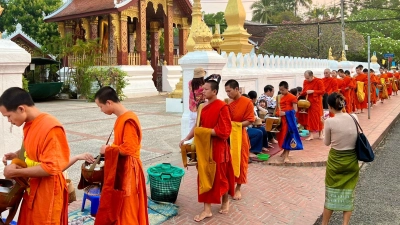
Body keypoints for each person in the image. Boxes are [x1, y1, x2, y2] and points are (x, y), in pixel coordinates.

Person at [0, 87, 70, 225]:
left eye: (8, 116)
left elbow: (51, 168)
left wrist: (16, 172)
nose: (9, 121)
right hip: (31, 189)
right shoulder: (29, 124)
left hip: (47, 192)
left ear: (21, 109)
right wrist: (16, 154)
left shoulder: (51, 127)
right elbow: (34, 152)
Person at [179, 75, 235, 222]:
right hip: (204, 148)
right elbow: (197, 126)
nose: (202, 91)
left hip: (218, 148)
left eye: (206, 89)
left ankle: (225, 201)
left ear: (214, 92)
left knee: (220, 177)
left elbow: (224, 131)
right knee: (203, 177)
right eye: (202, 89)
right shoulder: (202, 107)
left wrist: (204, 132)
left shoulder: (223, 107)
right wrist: (186, 138)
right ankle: (207, 210)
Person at [93, 86, 149, 225]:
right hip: (122, 165)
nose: (101, 110)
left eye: (101, 106)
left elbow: (128, 149)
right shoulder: (121, 118)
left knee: (127, 205)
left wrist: (108, 149)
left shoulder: (128, 120)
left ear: (109, 103)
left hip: (129, 169)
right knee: (119, 203)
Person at [321, 93, 360, 225]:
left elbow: (326, 143)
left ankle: (324, 223)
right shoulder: (354, 117)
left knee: (331, 193)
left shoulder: (329, 121)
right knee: (348, 192)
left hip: (336, 162)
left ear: (330, 106)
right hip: (351, 160)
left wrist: (323, 125)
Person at [225, 79, 255, 200]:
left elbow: (250, 120)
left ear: (237, 89)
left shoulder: (247, 102)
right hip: (227, 136)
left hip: (240, 135)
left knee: (241, 162)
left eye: (229, 91)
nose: (228, 94)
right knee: (229, 161)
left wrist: (235, 125)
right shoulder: (227, 102)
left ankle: (238, 188)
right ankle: (229, 184)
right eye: (226, 91)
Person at [275, 81, 299, 163]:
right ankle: (284, 151)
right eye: (280, 90)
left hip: (289, 120)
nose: (281, 92)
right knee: (281, 136)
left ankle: (286, 156)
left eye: (283, 90)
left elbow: (295, 110)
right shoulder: (278, 97)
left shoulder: (292, 97)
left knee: (288, 136)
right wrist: (276, 114)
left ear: (287, 89)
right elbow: (276, 108)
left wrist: (285, 113)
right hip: (281, 120)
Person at [301, 70, 325, 140]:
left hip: (317, 102)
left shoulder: (318, 81)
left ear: (312, 76)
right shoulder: (305, 82)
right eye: (305, 78)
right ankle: (311, 135)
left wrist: (313, 91)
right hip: (308, 102)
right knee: (309, 118)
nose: (306, 79)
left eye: (308, 78)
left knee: (319, 117)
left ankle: (321, 133)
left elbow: (323, 91)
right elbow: (304, 91)